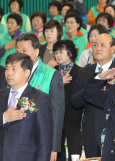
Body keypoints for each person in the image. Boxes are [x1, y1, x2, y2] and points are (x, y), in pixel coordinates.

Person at [15, 33, 64, 161]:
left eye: (24, 51)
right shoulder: (12, 74)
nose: (20, 54)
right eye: (17, 51)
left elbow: (57, 113)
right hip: (15, 138)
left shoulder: (52, 75)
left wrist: (54, 147)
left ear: (37, 51)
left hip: (40, 140)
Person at [71, 33, 115, 158]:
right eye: (95, 45)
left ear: (112, 49)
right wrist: (95, 83)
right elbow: (75, 101)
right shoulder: (85, 71)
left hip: (114, 132)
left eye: (103, 45)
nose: (97, 48)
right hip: (90, 132)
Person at [0, 53, 52, 161]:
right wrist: (3, 118)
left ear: (27, 72)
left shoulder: (40, 98)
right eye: (7, 69)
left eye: (14, 69)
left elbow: (44, 139)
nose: (9, 73)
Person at [52, 40, 82, 161]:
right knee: (58, 154)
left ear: (70, 53)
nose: (58, 55)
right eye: (56, 52)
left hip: (74, 116)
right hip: (56, 117)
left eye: (61, 52)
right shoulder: (52, 71)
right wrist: (60, 82)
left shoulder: (80, 71)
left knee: (74, 153)